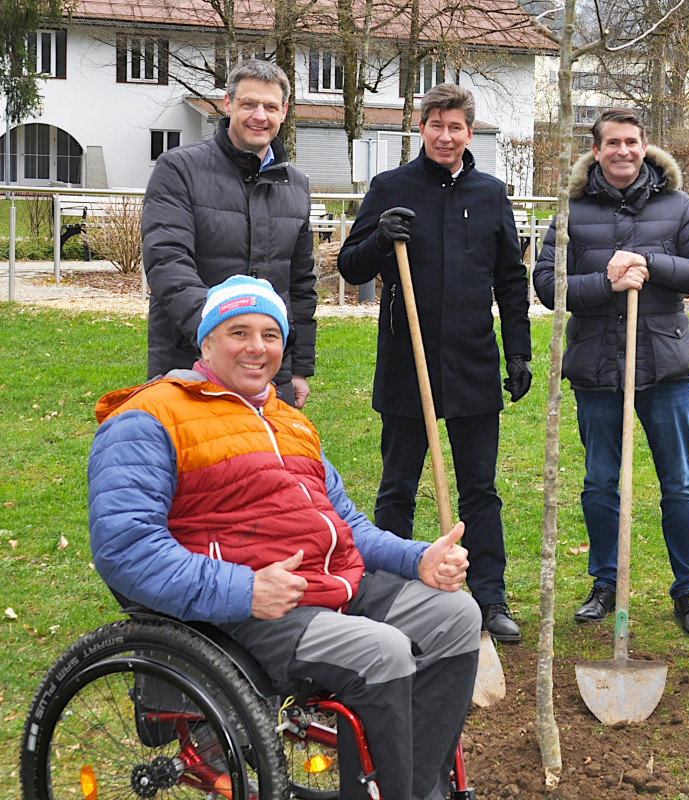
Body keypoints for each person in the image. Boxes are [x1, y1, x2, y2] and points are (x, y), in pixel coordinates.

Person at [88, 275, 480, 800]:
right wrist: (244, 589)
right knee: (383, 651)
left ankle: (412, 786)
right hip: (246, 610)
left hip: (330, 584)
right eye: (239, 332)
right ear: (205, 341)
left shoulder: (290, 422)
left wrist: (418, 560)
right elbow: (125, 548)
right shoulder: (150, 416)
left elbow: (349, 527)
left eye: (271, 335)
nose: (257, 348)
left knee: (457, 616)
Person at [337, 83, 531, 644]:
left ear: (470, 133)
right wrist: (379, 238)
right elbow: (350, 266)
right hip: (407, 362)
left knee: (480, 489)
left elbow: (510, 280)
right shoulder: (390, 188)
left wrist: (515, 350)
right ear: (421, 128)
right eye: (436, 126)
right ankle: (388, 591)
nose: (446, 137)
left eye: (456, 127)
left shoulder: (491, 194)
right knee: (398, 486)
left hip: (471, 360)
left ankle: (488, 596)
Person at [532, 108, 689, 639]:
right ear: (596, 151)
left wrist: (650, 263)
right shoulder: (571, 212)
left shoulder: (676, 205)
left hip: (663, 366)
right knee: (599, 483)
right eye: (612, 143)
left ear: (645, 147)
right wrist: (606, 280)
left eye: (632, 142)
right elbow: (548, 284)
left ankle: (688, 588)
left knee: (678, 484)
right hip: (597, 364)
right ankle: (604, 581)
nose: (622, 151)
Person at [142, 59, 317, 408]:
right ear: (227, 103)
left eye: (270, 106)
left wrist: (298, 367)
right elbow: (167, 262)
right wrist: (221, 334)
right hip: (192, 358)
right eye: (249, 103)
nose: (259, 116)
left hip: (266, 367)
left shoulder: (296, 185)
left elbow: (299, 284)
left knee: (266, 460)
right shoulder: (178, 169)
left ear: (283, 112)